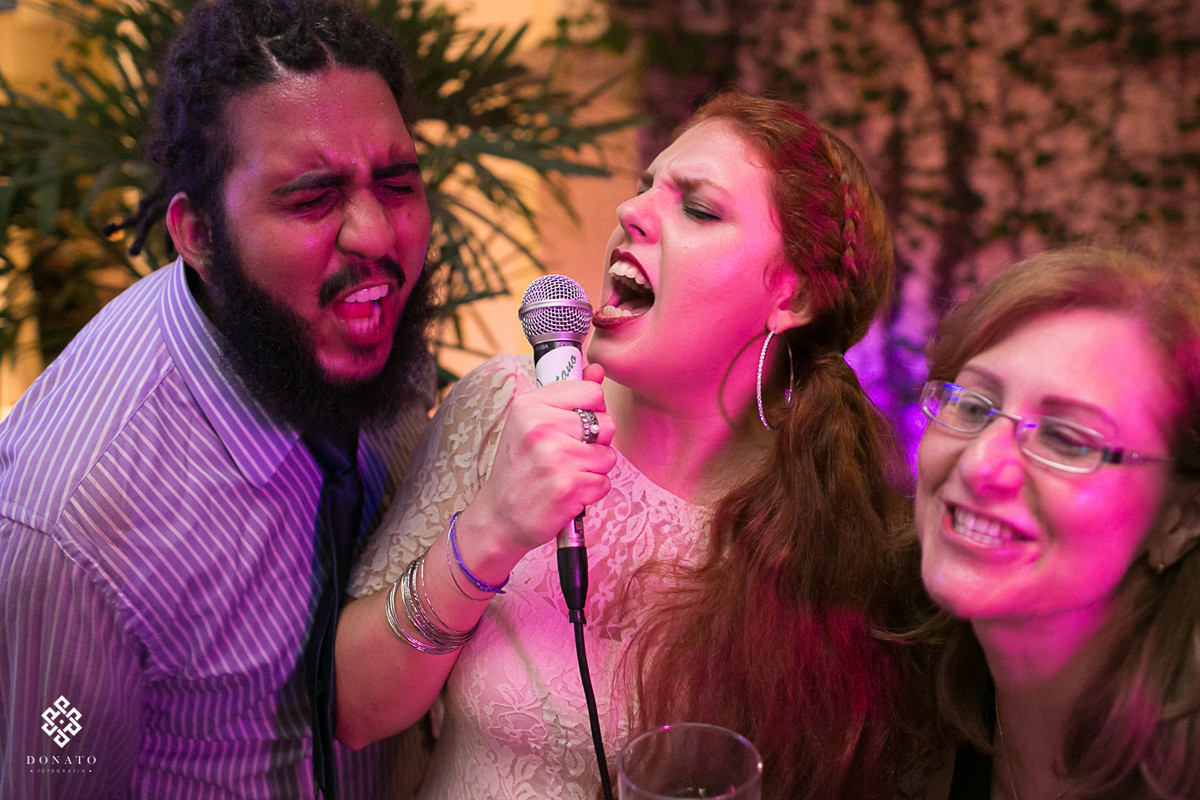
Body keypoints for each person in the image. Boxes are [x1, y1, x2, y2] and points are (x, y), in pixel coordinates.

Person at [338, 90, 941, 800]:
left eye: (699, 208)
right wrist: (491, 532)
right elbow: (352, 709)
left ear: (792, 298)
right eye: (645, 186)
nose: (633, 212)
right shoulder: (506, 407)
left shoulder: (836, 534)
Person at [0, 1, 439, 797]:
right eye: (311, 199)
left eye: (398, 182)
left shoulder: (371, 327)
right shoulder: (76, 522)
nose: (376, 236)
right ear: (197, 235)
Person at [913, 246, 1200, 799]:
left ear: (1181, 519)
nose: (979, 466)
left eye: (1066, 439)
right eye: (973, 407)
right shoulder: (885, 667)